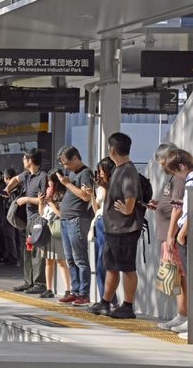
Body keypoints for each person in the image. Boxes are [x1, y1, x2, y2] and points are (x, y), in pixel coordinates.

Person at [89, 132, 142, 319]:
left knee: (127, 268)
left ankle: (127, 306)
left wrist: (127, 209)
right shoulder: (119, 169)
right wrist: (105, 185)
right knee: (111, 266)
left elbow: (130, 197)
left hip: (125, 229)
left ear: (112, 150)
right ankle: (105, 301)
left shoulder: (127, 170)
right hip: (114, 228)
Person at [147, 144, 187, 332]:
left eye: (162, 162)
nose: (161, 166)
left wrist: (171, 234)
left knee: (180, 277)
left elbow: (178, 208)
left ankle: (184, 314)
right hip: (167, 236)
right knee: (174, 278)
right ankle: (181, 314)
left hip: (174, 237)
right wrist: (159, 205)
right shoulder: (173, 178)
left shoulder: (179, 179)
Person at [4, 148, 47, 294]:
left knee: (36, 252)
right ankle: (28, 282)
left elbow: (44, 200)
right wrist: (7, 189)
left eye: (24, 159)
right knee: (27, 250)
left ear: (30, 160)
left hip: (38, 218)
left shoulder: (43, 177)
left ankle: (40, 283)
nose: (22, 161)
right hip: (29, 218)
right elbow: (16, 179)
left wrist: (26, 199)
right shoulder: (27, 175)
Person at [55, 145, 94, 306]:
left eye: (66, 162)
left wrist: (67, 184)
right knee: (70, 258)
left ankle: (84, 294)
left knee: (80, 258)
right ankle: (75, 290)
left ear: (76, 158)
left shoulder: (85, 173)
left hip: (77, 219)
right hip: (66, 219)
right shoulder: (72, 173)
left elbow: (86, 196)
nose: (65, 167)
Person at [164, 148, 193, 338]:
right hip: (185, 232)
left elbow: (190, 208)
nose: (176, 175)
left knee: (188, 277)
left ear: (181, 166)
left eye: (175, 171)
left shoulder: (190, 180)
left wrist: (182, 231)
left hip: (186, 233)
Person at [86, 157, 116, 304]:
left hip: (107, 222)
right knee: (99, 264)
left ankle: (109, 300)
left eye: (102, 171)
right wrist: (92, 194)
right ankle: (105, 299)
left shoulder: (113, 185)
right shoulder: (100, 187)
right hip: (98, 222)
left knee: (103, 263)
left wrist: (104, 186)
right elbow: (96, 208)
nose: (99, 174)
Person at [37, 169, 71, 298]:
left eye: (52, 180)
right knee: (48, 260)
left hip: (57, 229)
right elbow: (42, 213)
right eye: (48, 181)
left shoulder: (63, 195)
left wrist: (50, 202)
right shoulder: (48, 193)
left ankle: (68, 290)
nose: (49, 183)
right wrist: (41, 202)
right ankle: (49, 288)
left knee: (61, 260)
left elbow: (61, 214)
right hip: (47, 228)